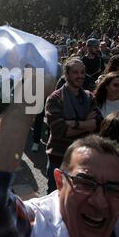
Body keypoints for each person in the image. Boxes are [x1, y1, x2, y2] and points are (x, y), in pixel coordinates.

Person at [0, 98, 119, 237]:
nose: (99, 202)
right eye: (85, 183)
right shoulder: (36, 227)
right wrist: (27, 97)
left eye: (113, 189)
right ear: (59, 181)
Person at [44, 58, 102, 193]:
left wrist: (74, 123)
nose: (80, 76)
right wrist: (86, 123)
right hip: (59, 158)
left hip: (84, 158)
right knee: (55, 196)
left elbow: (98, 125)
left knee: (79, 197)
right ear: (67, 74)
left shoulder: (89, 97)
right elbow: (60, 131)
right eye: (75, 72)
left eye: (82, 72)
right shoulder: (55, 99)